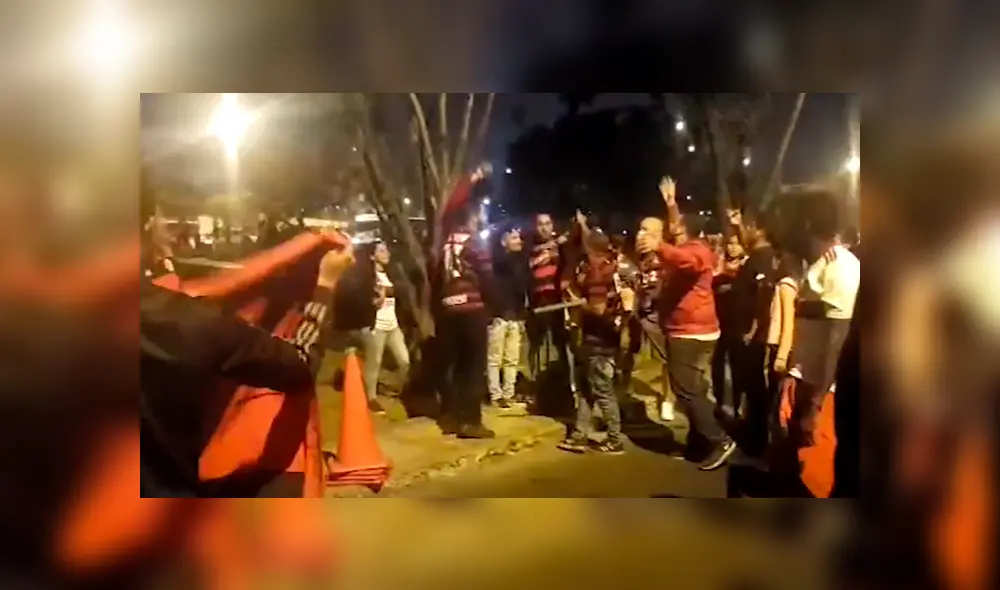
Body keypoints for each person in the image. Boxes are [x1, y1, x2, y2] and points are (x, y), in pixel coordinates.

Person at [140, 227, 356, 498]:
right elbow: (300, 364)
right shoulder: (188, 323)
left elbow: (219, 284)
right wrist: (325, 287)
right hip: (255, 468)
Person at [637, 178, 736, 471]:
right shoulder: (688, 244)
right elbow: (678, 232)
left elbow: (685, 260)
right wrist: (671, 203)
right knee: (693, 387)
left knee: (685, 390)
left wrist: (660, 246)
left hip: (692, 333)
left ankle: (719, 440)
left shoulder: (697, 251)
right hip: (690, 331)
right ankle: (698, 444)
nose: (671, 228)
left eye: (676, 229)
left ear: (687, 233)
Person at [557, 228, 634, 455]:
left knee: (602, 390)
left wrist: (577, 304)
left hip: (601, 339)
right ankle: (580, 435)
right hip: (595, 337)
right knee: (586, 390)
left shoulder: (601, 271)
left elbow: (599, 309)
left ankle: (614, 438)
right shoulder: (604, 267)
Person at [435, 165, 497, 439]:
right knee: (474, 366)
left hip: (449, 309)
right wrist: (494, 306)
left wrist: (469, 179)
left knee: (457, 365)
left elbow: (436, 276)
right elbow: (486, 276)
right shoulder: (474, 242)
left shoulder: (448, 242)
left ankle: (454, 417)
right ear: (471, 217)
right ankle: (471, 421)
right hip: (472, 310)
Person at [357, 241, 410, 414]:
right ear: (372, 256)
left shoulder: (390, 275)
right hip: (377, 326)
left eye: (386, 250)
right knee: (374, 363)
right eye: (381, 250)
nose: (386, 253)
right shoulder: (368, 277)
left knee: (404, 361)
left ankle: (394, 389)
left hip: (393, 325)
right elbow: (370, 303)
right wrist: (379, 296)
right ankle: (371, 398)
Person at [527, 212, 573, 407]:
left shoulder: (561, 247)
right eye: (540, 224)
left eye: (548, 223)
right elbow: (527, 263)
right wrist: (553, 245)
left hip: (557, 298)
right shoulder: (530, 247)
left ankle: (566, 382)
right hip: (538, 299)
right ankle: (535, 383)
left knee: (561, 342)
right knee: (537, 343)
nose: (544, 227)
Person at [488, 226, 530, 409]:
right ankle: (495, 395)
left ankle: (508, 394)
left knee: (512, 359)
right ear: (504, 242)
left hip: (514, 316)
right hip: (500, 315)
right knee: (495, 358)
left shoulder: (519, 263)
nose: (519, 241)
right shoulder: (498, 261)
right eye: (514, 238)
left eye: (519, 237)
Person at [711, 233, 747, 417]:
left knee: (736, 366)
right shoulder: (718, 263)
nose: (732, 247)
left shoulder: (746, 266)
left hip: (737, 323)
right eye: (729, 243)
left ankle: (737, 405)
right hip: (717, 321)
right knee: (716, 364)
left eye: (736, 243)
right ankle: (719, 402)